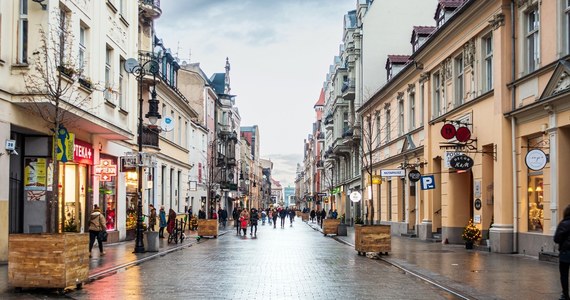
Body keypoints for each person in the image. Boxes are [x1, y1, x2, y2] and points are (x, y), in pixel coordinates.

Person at [555, 204, 570, 300]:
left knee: (564, 275)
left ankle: (565, 295)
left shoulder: (563, 224)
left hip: (565, 253)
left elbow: (556, 239)